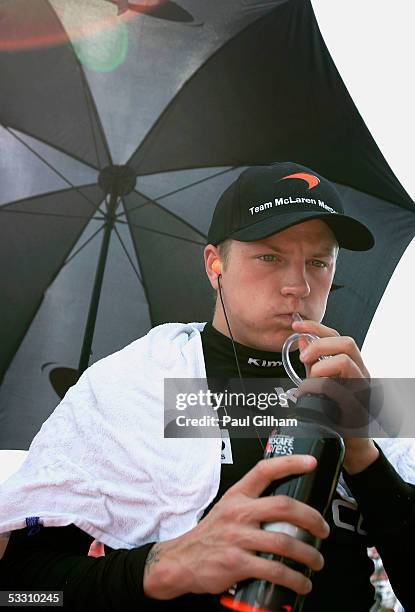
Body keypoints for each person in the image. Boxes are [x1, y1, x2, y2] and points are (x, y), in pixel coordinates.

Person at [0, 162, 414, 611]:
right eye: (270, 257)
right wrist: (159, 566)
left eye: (318, 262)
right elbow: (22, 594)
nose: (299, 285)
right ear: (215, 263)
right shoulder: (137, 383)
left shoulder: (363, 389)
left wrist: (362, 451)